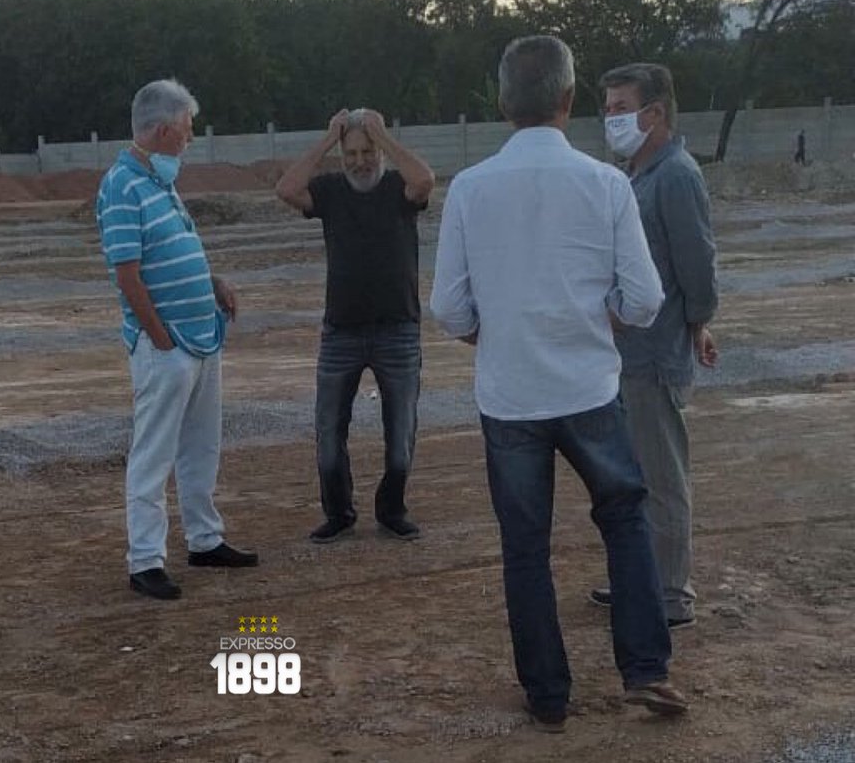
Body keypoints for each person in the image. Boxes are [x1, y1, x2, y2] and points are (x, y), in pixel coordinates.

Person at [430, 36, 689, 732]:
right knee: (625, 521)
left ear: (501, 102)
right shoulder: (606, 184)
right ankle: (646, 668)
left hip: (510, 396)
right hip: (589, 390)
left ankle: (548, 695)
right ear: (569, 100)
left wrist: (494, 334)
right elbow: (644, 298)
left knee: (525, 548)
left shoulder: (470, 189)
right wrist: (602, 319)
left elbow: (449, 307)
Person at [95, 78, 258, 601]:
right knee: (154, 453)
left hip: (200, 338)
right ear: (164, 130)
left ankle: (205, 539)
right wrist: (161, 340)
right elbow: (127, 275)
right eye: (186, 131)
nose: (189, 141)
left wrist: (211, 283)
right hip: (168, 347)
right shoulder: (122, 186)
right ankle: (145, 559)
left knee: (201, 445)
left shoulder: (159, 182)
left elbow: (171, 252)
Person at [595, 62, 720, 629]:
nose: (611, 119)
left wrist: (697, 322)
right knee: (634, 477)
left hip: (654, 355)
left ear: (655, 113)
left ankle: (670, 595)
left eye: (621, 109)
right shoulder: (637, 175)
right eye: (608, 109)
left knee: (662, 478)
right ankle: (640, 579)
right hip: (628, 355)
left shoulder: (675, 176)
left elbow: (697, 263)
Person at [275, 108, 435, 543]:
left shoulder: (398, 189)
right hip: (340, 333)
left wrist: (384, 137)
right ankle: (339, 513)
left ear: (379, 151)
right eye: (352, 153)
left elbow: (425, 180)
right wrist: (329, 138)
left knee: (401, 435)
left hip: (398, 330)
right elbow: (287, 189)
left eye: (368, 152)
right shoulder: (329, 191)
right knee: (329, 434)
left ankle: (392, 510)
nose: (360, 161)